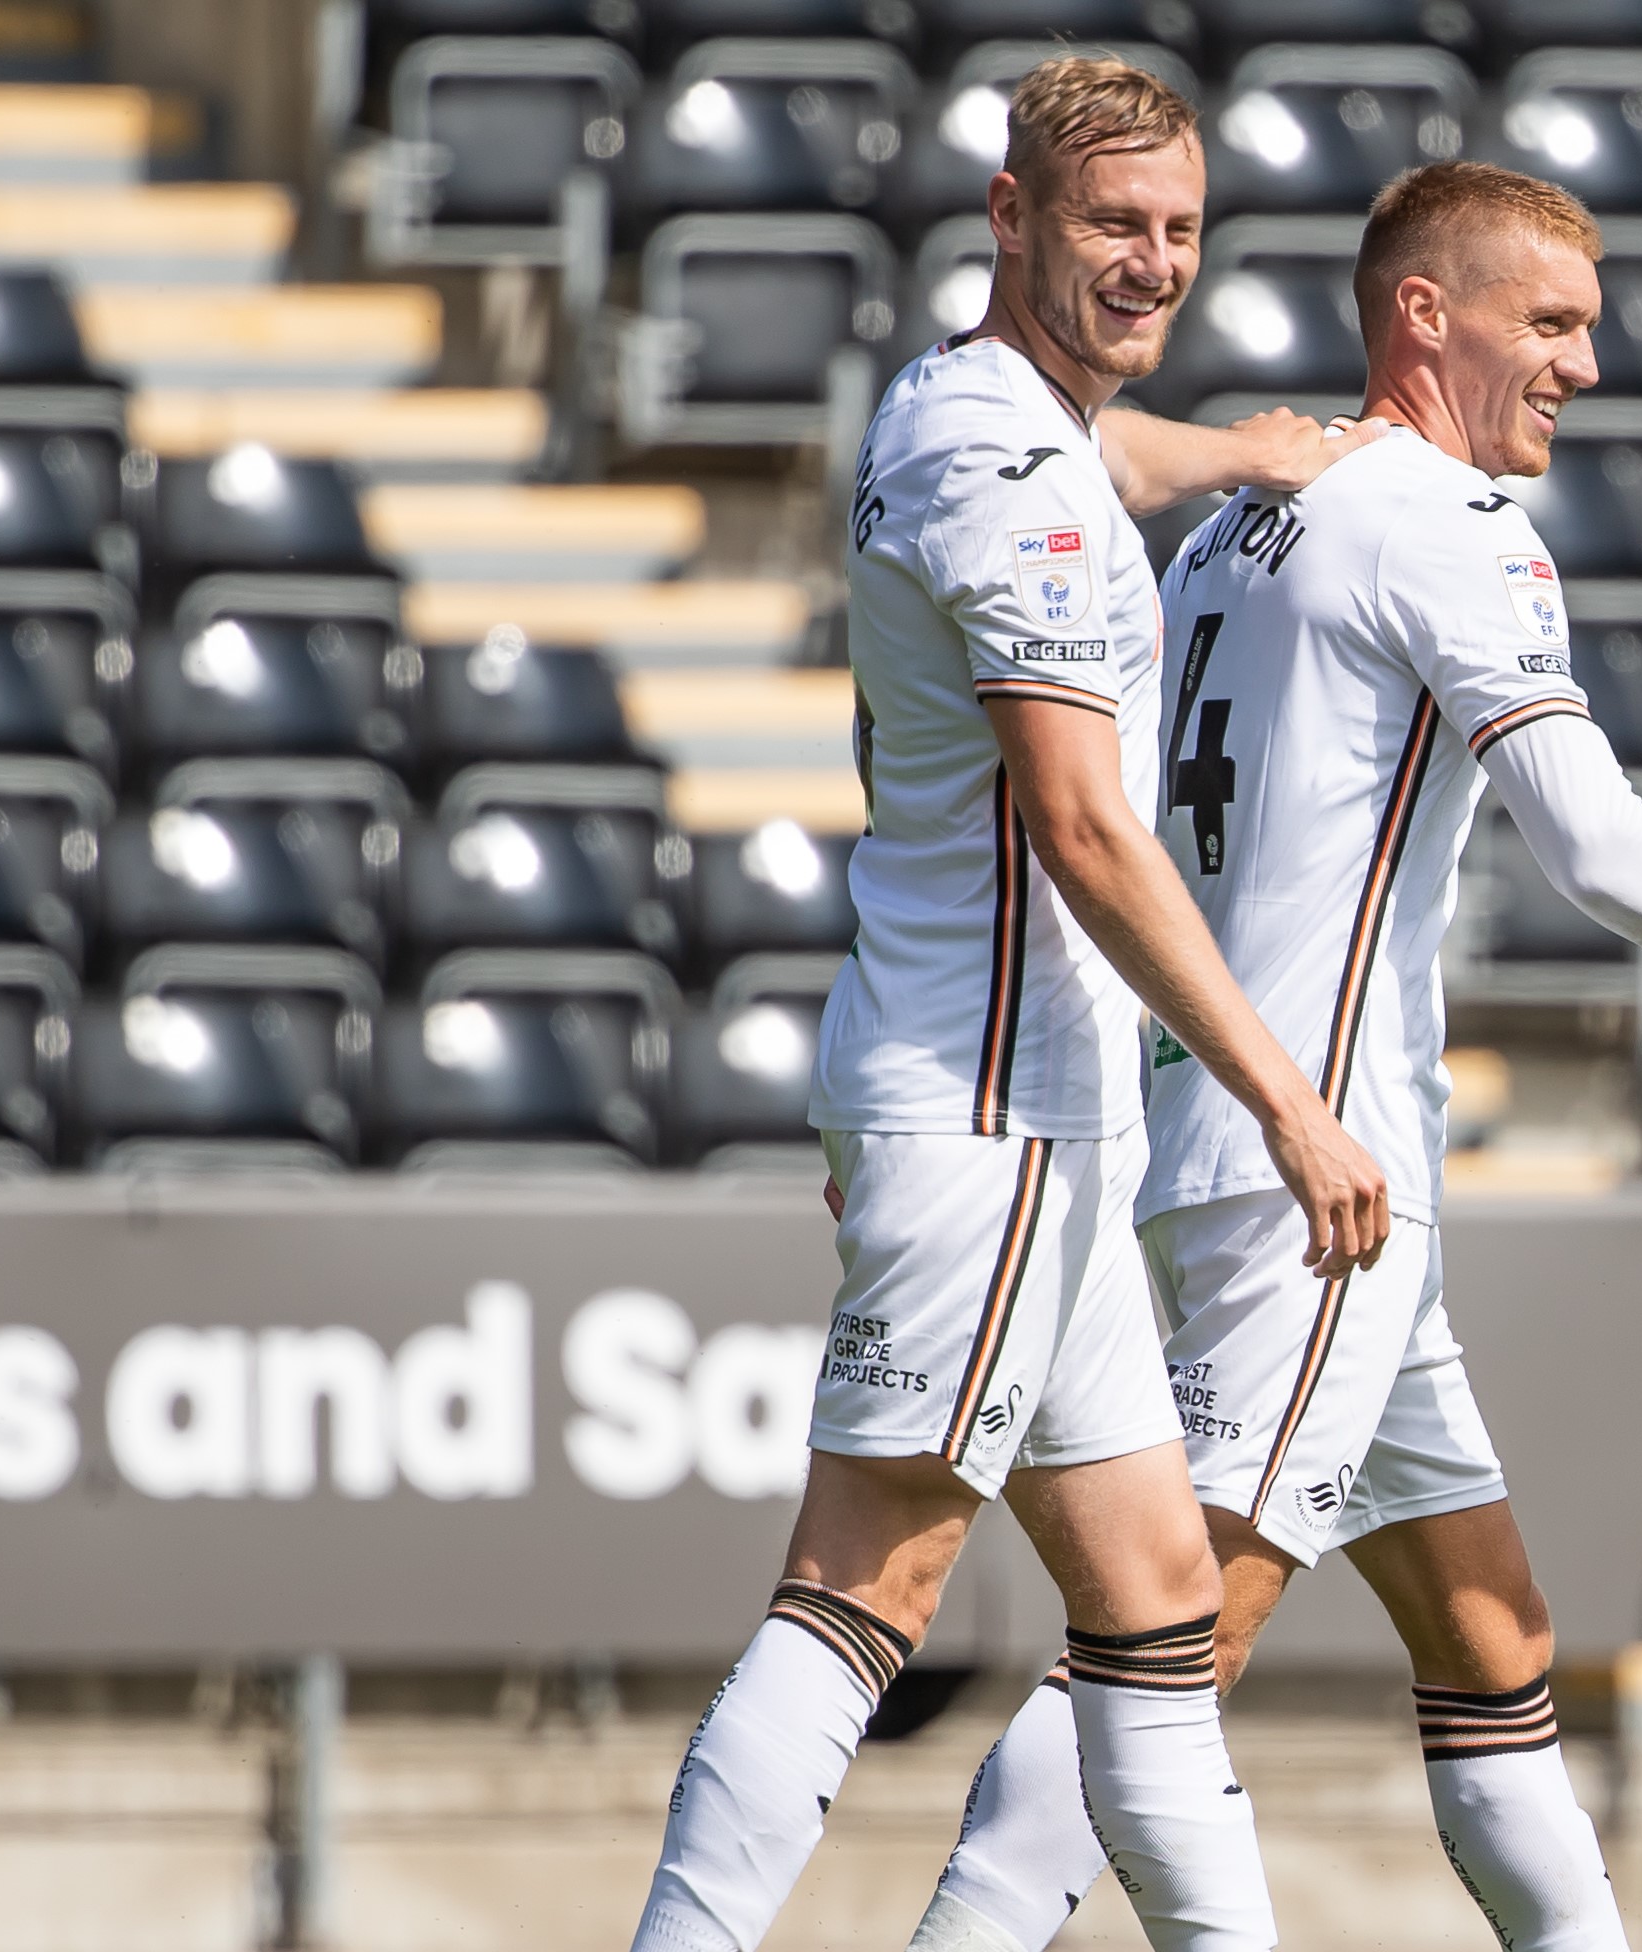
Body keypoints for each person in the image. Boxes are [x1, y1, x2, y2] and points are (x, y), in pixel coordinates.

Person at [899, 161, 1642, 1952]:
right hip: (1321, 1184)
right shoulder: (1451, 524)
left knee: (1492, 1633)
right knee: (1170, 1638)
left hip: (1236, 1149)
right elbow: (1597, 842)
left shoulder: (1246, 524)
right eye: (1549, 323)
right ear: (1427, 313)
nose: (1581, 364)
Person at [632, 57, 1401, 1952]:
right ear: (1010, 220)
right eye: (1110, 227)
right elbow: (1081, 823)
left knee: (1151, 1611)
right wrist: (1291, 1102)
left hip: (1037, 1123)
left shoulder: (982, 410)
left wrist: (1241, 451)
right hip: (988, 1116)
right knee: (859, 1590)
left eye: (1178, 232)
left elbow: (1108, 463)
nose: (1151, 265)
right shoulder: (1002, 463)